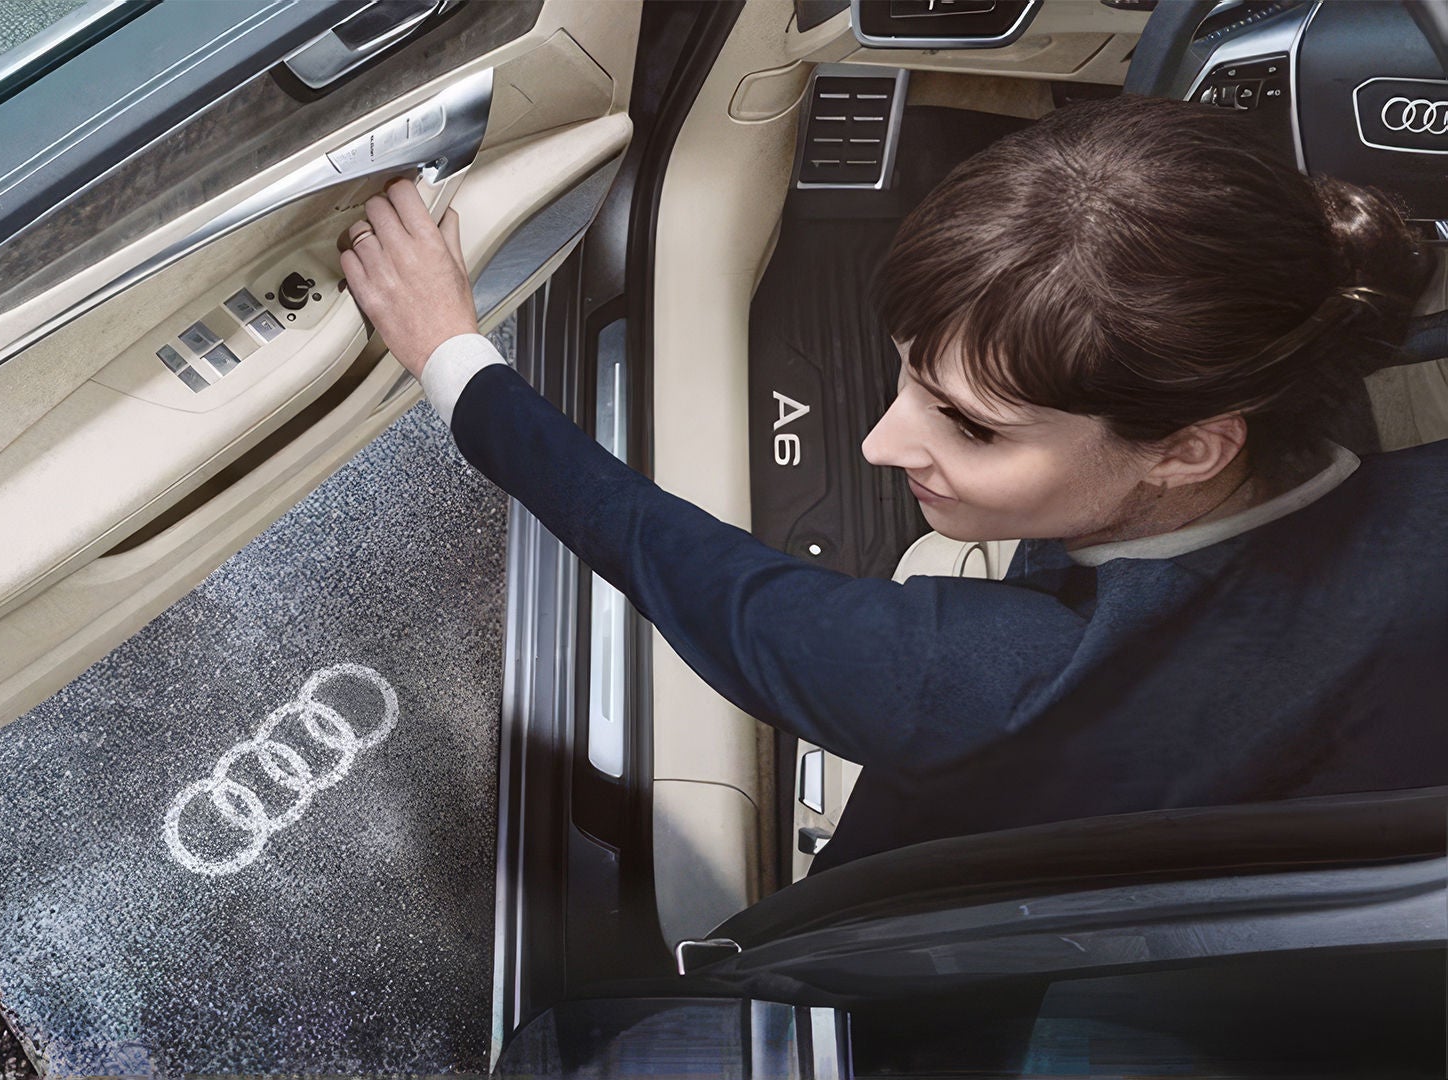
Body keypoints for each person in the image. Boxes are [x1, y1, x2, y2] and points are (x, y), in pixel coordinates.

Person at [336, 96, 1448, 874]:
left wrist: (449, 353)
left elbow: (689, 569)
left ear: (1192, 446)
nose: (877, 443)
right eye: (911, 368)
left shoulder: (967, 682)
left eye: (969, 425)